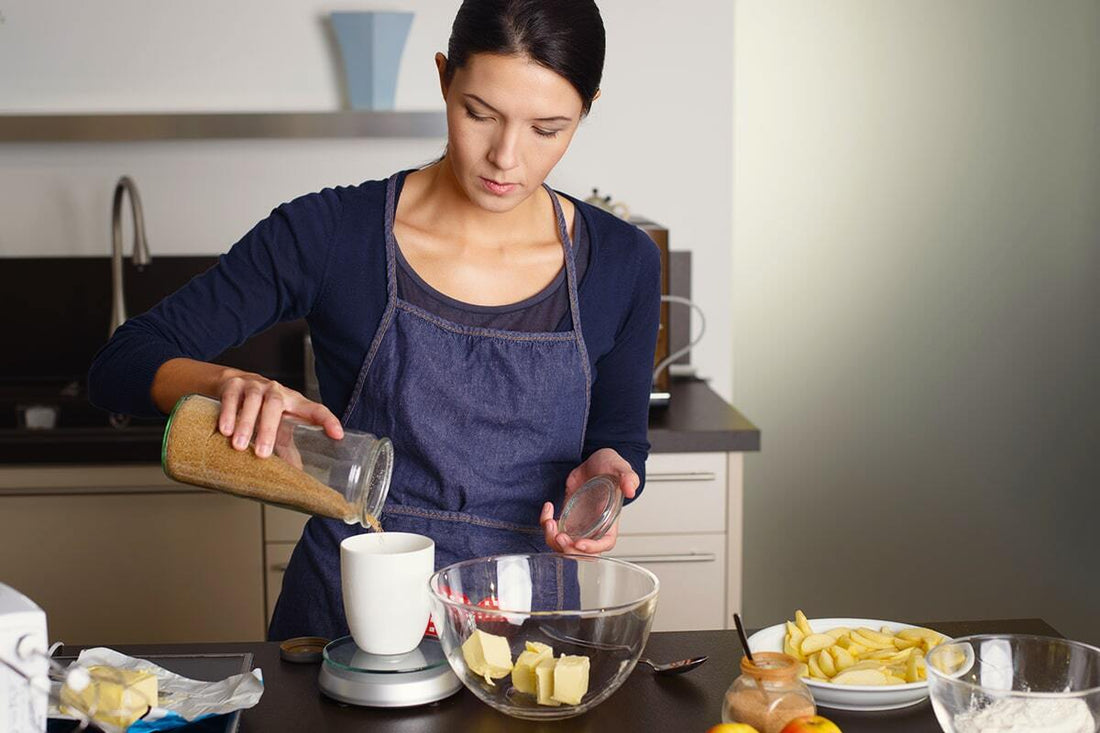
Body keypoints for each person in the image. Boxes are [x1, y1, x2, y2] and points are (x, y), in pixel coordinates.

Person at [88, 0, 660, 642]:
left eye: (547, 129)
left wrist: (609, 477)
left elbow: (618, 435)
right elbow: (120, 363)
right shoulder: (331, 235)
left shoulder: (622, 261)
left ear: (587, 109)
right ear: (444, 79)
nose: (506, 156)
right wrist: (223, 384)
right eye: (479, 114)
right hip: (350, 622)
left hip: (535, 626)